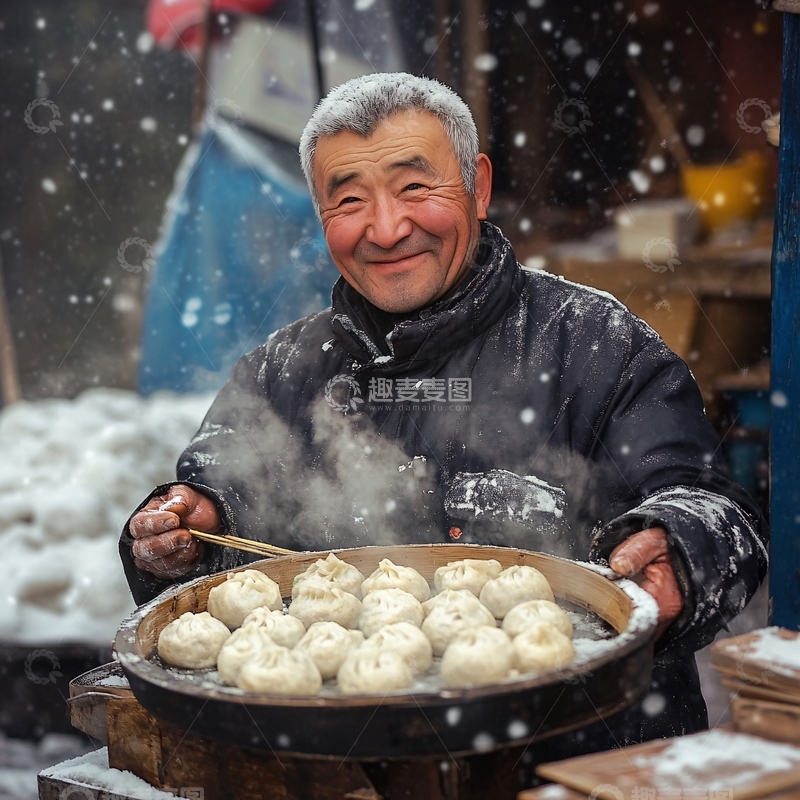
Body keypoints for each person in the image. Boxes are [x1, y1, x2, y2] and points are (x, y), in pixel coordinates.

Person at [121, 73, 767, 768]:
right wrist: (190, 524)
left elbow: (709, 503)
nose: (387, 228)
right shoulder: (281, 372)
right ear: (319, 216)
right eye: (348, 200)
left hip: (583, 768)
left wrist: (682, 547)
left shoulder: (598, 345)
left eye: (414, 187)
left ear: (477, 186)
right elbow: (213, 484)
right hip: (337, 776)